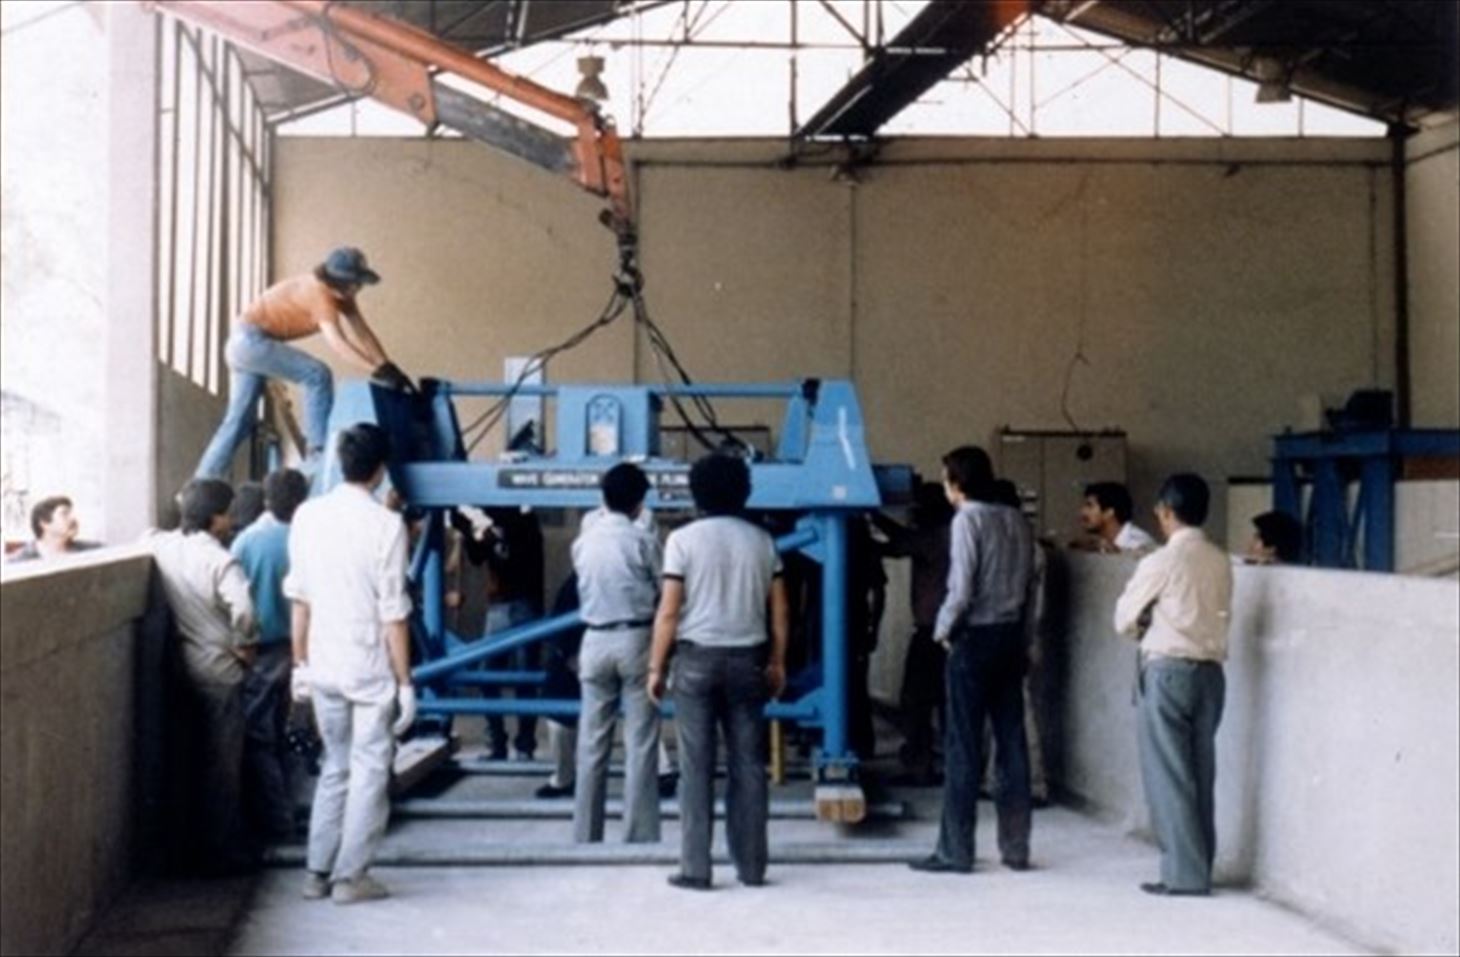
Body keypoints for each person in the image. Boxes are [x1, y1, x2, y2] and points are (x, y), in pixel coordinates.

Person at [285, 424, 415, 904]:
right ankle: (351, 877)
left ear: (340, 461)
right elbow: (393, 614)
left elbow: (299, 600)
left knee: (334, 766)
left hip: (322, 662)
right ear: (381, 470)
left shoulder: (307, 516)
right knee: (369, 769)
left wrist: (299, 663)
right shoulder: (387, 525)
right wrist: (405, 683)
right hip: (369, 667)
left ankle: (316, 872)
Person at [649, 454, 789, 890]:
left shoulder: (682, 541)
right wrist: (778, 661)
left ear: (696, 491)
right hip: (748, 661)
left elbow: (669, 611)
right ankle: (751, 867)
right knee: (748, 766)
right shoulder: (763, 541)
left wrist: (656, 666)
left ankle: (696, 868)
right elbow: (780, 608)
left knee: (696, 768)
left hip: (696, 661)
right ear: (745, 490)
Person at [910, 446, 1033, 876]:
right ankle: (1016, 847)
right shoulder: (1016, 520)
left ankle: (955, 850)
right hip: (1010, 637)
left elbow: (960, 587)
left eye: (946, 479)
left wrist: (942, 630)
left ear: (956, 483)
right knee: (1011, 742)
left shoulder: (968, 519)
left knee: (963, 745)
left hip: (974, 638)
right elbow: (1029, 587)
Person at [194, 246, 414, 480]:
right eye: (357, 283)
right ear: (343, 283)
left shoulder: (341, 296)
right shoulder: (321, 295)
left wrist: (388, 367)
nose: (358, 289)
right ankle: (317, 454)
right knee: (317, 374)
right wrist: (377, 371)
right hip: (251, 342)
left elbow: (363, 333)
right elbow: (338, 344)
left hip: (244, 344)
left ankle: (201, 481)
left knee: (240, 420)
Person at [1114, 473, 1232, 897]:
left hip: (1166, 672)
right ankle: (1201, 862)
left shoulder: (1160, 561)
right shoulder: (1220, 559)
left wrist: (1146, 621)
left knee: (1169, 775)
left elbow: (1124, 618)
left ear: (1166, 512)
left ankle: (1183, 873)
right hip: (1210, 675)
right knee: (1201, 772)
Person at [145, 479, 257, 873]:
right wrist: (246, 644)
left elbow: (149, 536)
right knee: (223, 766)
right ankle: (220, 852)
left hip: (181, 665)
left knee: (186, 761)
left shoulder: (164, 546)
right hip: (220, 669)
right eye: (227, 512)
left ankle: (185, 849)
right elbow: (243, 609)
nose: (231, 519)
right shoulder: (220, 560)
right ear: (216, 518)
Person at [572, 463, 663, 844]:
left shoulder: (583, 540)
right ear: (640, 503)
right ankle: (638, 835)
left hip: (593, 640)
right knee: (640, 742)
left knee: (591, 742)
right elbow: (666, 588)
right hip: (635, 638)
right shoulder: (642, 541)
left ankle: (586, 834)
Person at [230, 468, 310, 843]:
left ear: (266, 499)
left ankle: (276, 825)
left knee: (259, 739)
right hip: (298, 650)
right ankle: (288, 811)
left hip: (258, 652)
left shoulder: (246, 542)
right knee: (287, 735)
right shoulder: (307, 542)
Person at [872, 481, 953, 784]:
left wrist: (871, 517)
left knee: (916, 700)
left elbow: (899, 544)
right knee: (944, 703)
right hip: (944, 631)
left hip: (932, 632)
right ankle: (946, 763)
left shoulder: (936, 537)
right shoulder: (948, 534)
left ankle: (920, 766)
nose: (913, 515)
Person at [8, 495, 102, 561]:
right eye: (65, 514)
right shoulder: (19, 562)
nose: (73, 518)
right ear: (44, 523)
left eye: (71, 513)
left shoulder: (94, 552)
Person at [1073, 481, 1156, 554]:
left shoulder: (1139, 543)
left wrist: (1119, 552)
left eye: (1089, 506)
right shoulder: (1102, 543)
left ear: (1109, 512)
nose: (1082, 512)